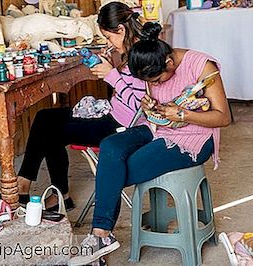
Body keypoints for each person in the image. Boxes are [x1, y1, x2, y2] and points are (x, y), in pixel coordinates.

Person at [67, 22, 231, 266]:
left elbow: (223, 117)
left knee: (117, 169)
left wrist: (183, 115)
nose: (154, 85)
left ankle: (99, 234)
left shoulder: (201, 66)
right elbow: (153, 104)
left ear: (169, 63)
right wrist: (148, 107)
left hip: (193, 138)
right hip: (157, 127)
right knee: (111, 146)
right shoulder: (149, 59)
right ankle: (102, 236)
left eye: (156, 80)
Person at [0, 2, 146, 211]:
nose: (108, 42)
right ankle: (30, 184)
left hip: (122, 127)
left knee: (51, 130)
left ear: (121, 30)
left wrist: (112, 75)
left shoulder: (142, 56)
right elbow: (129, 90)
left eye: (109, 37)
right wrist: (111, 66)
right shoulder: (132, 49)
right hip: (114, 114)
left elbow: (139, 105)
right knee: (45, 117)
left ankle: (53, 193)